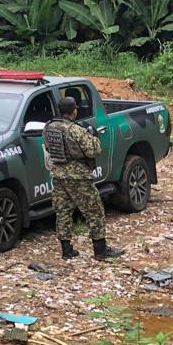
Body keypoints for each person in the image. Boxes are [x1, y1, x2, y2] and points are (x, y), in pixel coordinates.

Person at [44, 96, 124, 261]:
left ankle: (66, 250)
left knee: (63, 212)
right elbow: (93, 151)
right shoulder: (75, 129)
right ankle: (100, 249)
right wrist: (93, 136)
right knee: (94, 211)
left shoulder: (49, 127)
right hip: (78, 176)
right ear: (74, 111)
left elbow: (47, 147)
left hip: (58, 174)